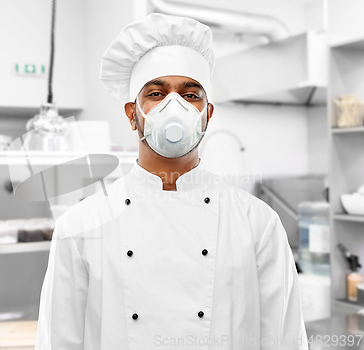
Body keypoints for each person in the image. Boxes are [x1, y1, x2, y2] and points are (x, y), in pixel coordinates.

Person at [36, 13, 309, 350]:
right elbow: (59, 340)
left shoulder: (258, 223)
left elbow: (284, 341)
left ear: (207, 115)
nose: (174, 107)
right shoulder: (80, 226)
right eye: (156, 93)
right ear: (132, 115)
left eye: (190, 95)